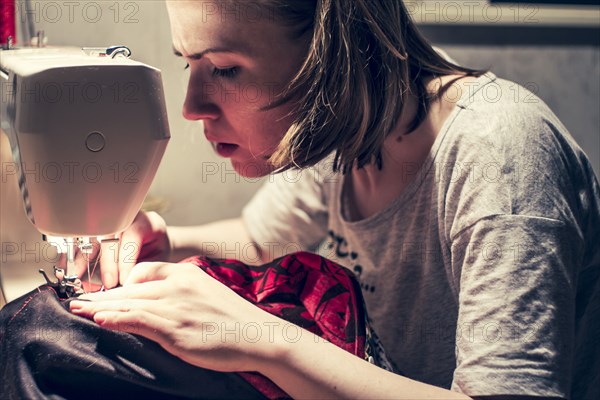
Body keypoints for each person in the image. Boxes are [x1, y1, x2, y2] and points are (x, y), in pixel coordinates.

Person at [69, 0, 600, 399]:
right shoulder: (342, 124)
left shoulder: (501, 154)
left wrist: (259, 339)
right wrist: (167, 240)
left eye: (226, 68)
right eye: (191, 65)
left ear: (333, 52)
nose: (191, 107)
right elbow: (260, 239)